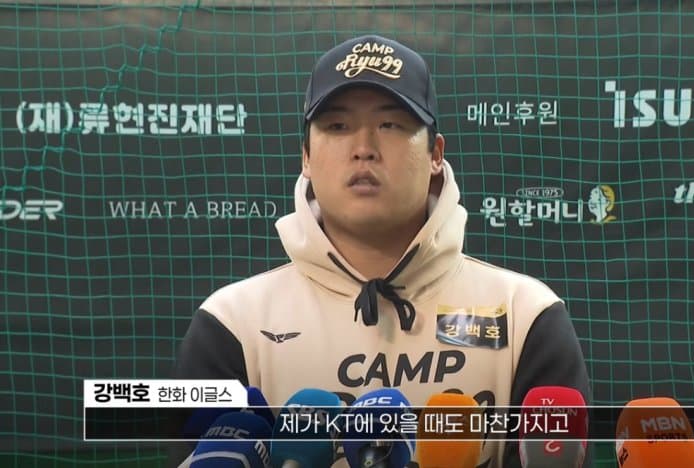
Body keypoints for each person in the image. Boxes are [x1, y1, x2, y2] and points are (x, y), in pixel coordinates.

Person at [171, 34, 592, 468]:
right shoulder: (233, 324)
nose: (364, 148)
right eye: (337, 126)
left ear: (435, 154)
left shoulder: (526, 315)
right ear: (306, 158)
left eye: (390, 124)